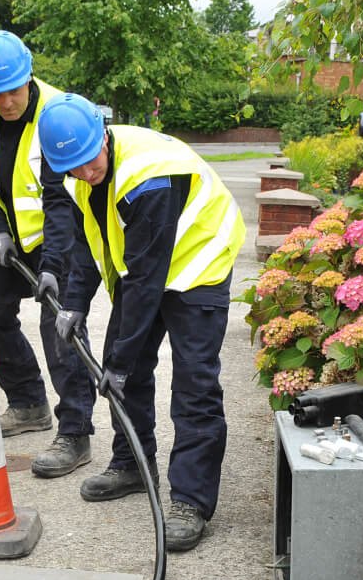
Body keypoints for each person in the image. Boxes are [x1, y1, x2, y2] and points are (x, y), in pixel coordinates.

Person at [38, 93, 245, 551]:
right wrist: (75, 304)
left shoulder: (146, 177)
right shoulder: (76, 177)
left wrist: (121, 361)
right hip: (146, 269)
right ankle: (132, 462)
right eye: (74, 168)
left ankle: (190, 500)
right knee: (123, 369)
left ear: (103, 134)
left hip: (198, 261)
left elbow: (148, 280)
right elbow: (87, 246)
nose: (87, 174)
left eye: (92, 162)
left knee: (193, 384)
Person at [0, 31, 96, 477]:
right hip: (13, 238)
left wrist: (54, 267)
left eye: (14, 90)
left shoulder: (53, 114)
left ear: (29, 75)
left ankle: (75, 434)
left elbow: (60, 202)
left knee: (59, 327)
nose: (5, 102)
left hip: (62, 238)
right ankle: (28, 403)